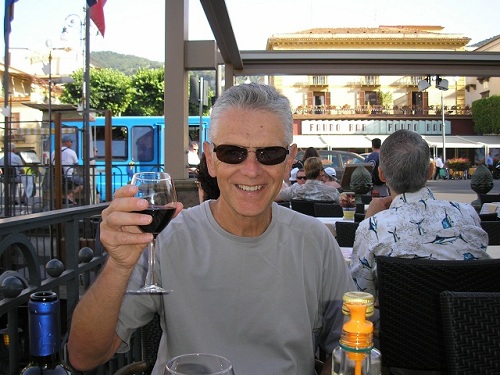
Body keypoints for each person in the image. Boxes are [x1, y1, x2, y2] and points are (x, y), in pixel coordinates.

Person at [67, 83, 354, 375]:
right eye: (233, 152)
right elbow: (84, 356)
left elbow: (352, 345)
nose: (252, 170)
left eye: (269, 154)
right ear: (211, 159)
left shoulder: (315, 243)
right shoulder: (166, 241)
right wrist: (118, 265)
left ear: (289, 160)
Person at [350, 130, 490, 303]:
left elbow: (360, 297)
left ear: (381, 174)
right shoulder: (467, 214)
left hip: (399, 327)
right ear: (430, 170)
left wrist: (368, 222)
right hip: (471, 325)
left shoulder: (373, 228)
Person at [276, 156, 341, 203]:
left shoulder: (293, 190)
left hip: (300, 221)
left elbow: (274, 199)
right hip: (324, 221)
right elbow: (341, 206)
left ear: (305, 172)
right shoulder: (332, 192)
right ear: (321, 172)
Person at [51, 135, 83, 204]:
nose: (72, 143)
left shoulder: (54, 152)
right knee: (83, 183)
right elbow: (76, 164)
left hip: (56, 177)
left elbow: (51, 163)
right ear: (66, 142)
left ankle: (63, 198)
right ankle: (70, 195)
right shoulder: (72, 152)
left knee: (61, 185)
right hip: (68, 177)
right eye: (71, 142)